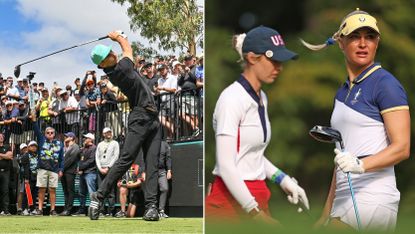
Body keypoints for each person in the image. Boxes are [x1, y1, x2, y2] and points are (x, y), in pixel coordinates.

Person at [302, 9, 410, 231]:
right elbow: (342, 156)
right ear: (341, 42)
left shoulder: (385, 84)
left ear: (377, 43)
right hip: (345, 196)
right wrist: (326, 213)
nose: (363, 43)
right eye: (354, 36)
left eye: (369, 37)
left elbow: (402, 148)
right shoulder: (342, 93)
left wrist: (361, 165)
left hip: (374, 196)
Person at [205, 26, 309, 223]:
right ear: (252, 58)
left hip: (256, 199)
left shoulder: (262, 97)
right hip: (230, 206)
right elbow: (226, 165)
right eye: (274, 60)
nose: (279, 67)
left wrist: (283, 179)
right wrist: (255, 214)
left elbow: (252, 155)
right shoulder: (231, 99)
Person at [89, 30, 161, 221]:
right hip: (140, 117)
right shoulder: (121, 70)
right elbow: (128, 49)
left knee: (152, 164)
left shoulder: (120, 67)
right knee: (126, 159)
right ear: (102, 64)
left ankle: (152, 207)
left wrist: (120, 38)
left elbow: (127, 52)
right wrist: (118, 37)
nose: (112, 54)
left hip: (153, 118)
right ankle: (99, 195)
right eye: (107, 56)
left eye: (110, 52)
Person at [31, 114, 64, 216]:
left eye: (51, 133)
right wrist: (33, 120)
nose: (50, 134)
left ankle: (52, 210)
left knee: (52, 190)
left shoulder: (59, 144)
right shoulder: (41, 140)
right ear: (45, 134)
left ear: (54, 134)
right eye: (48, 132)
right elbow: (36, 130)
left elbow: (61, 158)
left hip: (54, 170)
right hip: (42, 169)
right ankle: (40, 209)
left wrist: (61, 169)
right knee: (41, 189)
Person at [95, 127, 119, 216]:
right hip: (101, 169)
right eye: (106, 132)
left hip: (110, 169)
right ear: (103, 134)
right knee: (100, 189)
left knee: (111, 190)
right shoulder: (100, 144)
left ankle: (111, 211)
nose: (108, 134)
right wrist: (100, 168)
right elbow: (97, 157)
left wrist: (108, 167)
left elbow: (115, 156)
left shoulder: (115, 143)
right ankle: (101, 210)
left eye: (110, 132)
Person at [73, 133, 97, 216]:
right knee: (81, 192)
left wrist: (80, 168)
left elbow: (91, 160)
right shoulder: (83, 149)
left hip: (90, 172)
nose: (84, 139)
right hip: (83, 173)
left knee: (92, 192)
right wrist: (83, 147)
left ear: (91, 139)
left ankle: (94, 209)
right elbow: (77, 156)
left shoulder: (94, 148)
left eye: (86, 138)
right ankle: (82, 209)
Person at [60, 132, 81, 216]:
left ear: (72, 138)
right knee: (65, 191)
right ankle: (66, 209)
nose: (65, 137)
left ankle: (69, 209)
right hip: (64, 171)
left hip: (70, 172)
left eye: (67, 136)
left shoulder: (75, 147)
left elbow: (70, 160)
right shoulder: (65, 146)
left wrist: (61, 169)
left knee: (70, 190)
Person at [18, 141, 38, 215]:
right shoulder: (25, 156)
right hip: (28, 178)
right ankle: (24, 209)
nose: (34, 147)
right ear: (29, 147)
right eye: (32, 146)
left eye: (35, 146)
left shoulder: (37, 155)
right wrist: (26, 178)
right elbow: (25, 168)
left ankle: (32, 209)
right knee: (27, 194)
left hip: (36, 178)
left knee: (33, 194)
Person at [157, 140, 172, 218]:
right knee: (152, 191)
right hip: (152, 170)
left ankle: (161, 211)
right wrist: (144, 171)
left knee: (165, 189)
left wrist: (169, 170)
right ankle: (150, 209)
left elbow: (168, 158)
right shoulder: (150, 142)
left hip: (162, 170)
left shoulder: (164, 144)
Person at [0, 133, 12, 215]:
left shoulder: (7, 146)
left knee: (5, 191)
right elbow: (6, 156)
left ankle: (6, 210)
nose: (0, 138)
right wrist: (5, 156)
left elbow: (10, 156)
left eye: (1, 136)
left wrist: (1, 155)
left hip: (5, 171)